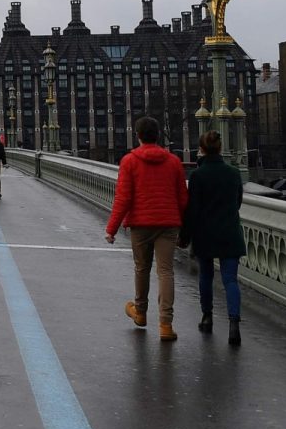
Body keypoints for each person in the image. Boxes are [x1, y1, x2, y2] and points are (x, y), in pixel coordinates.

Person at [104, 116, 189, 342]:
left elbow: (123, 198)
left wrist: (111, 229)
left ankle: (140, 313)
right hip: (168, 224)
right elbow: (183, 199)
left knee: (142, 268)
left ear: (138, 136)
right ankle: (166, 325)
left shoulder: (129, 161)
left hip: (141, 224)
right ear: (158, 135)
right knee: (166, 272)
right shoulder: (173, 162)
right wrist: (184, 226)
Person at [183, 130, 245, 346]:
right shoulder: (234, 173)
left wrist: (186, 236)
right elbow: (238, 202)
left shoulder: (198, 176)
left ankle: (207, 317)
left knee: (206, 277)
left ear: (201, 149)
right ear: (220, 148)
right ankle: (234, 324)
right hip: (230, 232)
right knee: (230, 279)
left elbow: (193, 210)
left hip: (205, 233)